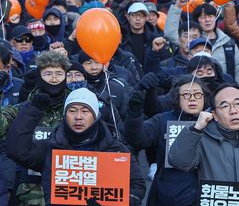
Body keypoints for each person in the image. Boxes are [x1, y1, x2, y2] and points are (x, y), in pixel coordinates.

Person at [6, 88, 146, 206]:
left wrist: (114, 203)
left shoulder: (116, 150)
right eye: (72, 111)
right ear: (64, 115)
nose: (78, 117)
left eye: (85, 111)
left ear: (96, 115)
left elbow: (137, 186)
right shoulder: (51, 147)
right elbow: (17, 150)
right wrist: (32, 110)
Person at [125, 75, 211, 206]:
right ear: (177, 98)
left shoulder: (214, 122)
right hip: (168, 198)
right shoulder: (162, 120)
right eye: (186, 95)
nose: (192, 98)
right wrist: (134, 113)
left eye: (198, 94)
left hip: (206, 196)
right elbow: (137, 139)